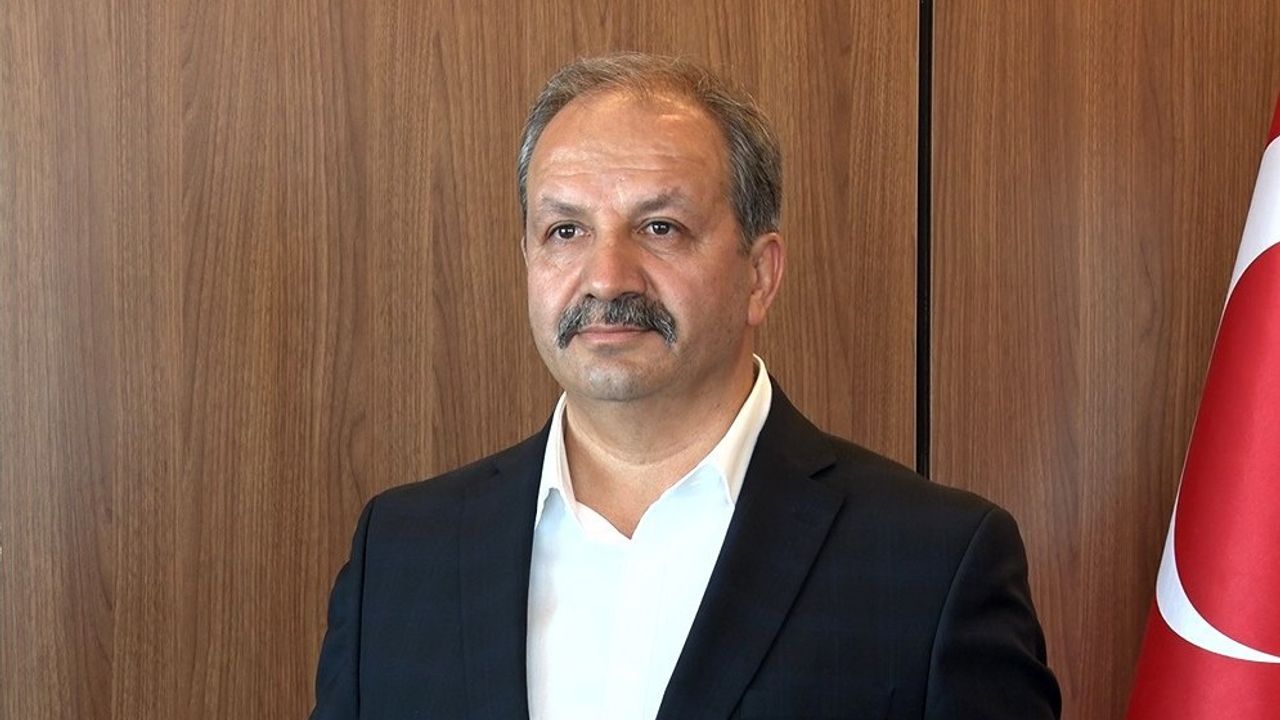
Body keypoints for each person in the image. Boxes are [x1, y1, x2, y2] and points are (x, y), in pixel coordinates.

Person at [310, 52, 1061, 720]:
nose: (607, 278)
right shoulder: (401, 556)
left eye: (660, 227)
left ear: (759, 275)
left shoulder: (932, 565)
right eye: (566, 231)